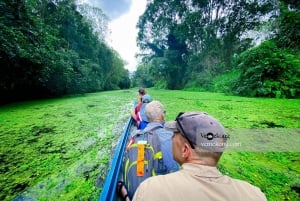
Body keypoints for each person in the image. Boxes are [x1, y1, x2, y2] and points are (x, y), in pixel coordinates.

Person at [132, 112, 267, 201]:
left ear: (185, 150)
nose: (172, 137)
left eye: (175, 135)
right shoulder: (255, 195)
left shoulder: (151, 189)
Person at [117, 101, 179, 201]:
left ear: (146, 117)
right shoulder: (172, 137)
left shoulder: (135, 136)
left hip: (138, 193)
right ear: (163, 115)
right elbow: (175, 170)